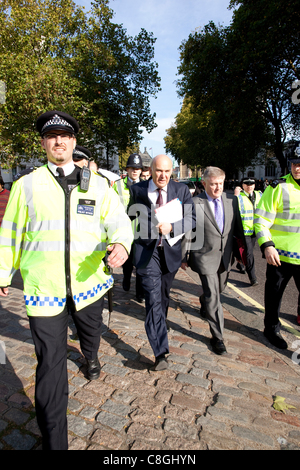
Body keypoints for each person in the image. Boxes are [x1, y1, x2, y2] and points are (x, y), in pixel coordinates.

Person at [0, 110, 133, 450]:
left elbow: (118, 221)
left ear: (74, 141)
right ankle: (55, 441)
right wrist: (3, 272)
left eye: (64, 135)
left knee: (91, 334)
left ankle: (90, 355)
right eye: (51, 135)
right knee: (50, 366)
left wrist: (120, 242)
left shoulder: (99, 185)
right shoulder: (25, 185)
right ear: (44, 143)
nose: (58, 140)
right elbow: (10, 233)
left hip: (89, 286)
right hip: (45, 291)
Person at [128, 154, 196, 370]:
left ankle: (159, 326)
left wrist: (173, 227)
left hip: (170, 253)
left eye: (167, 171)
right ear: (152, 170)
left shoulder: (181, 190)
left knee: (163, 298)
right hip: (147, 253)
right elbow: (128, 215)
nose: (163, 175)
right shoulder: (138, 190)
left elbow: (192, 218)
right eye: (159, 171)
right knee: (153, 299)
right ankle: (160, 352)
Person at [182, 166, 245, 356]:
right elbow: (187, 231)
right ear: (204, 183)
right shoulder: (194, 202)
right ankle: (218, 337)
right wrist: (183, 257)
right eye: (213, 184)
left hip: (225, 257)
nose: (217, 188)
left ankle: (204, 301)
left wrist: (243, 254)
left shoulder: (232, 201)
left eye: (220, 184)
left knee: (219, 290)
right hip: (204, 256)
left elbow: (238, 228)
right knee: (215, 297)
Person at [254, 146, 300, 347]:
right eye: (294, 163)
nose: (297, 167)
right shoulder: (278, 187)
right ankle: (271, 329)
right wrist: (267, 245)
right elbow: (261, 220)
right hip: (280, 256)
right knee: (273, 296)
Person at [113, 153, 144, 301]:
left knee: (140, 262)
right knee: (127, 260)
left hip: (140, 230)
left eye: (138, 168)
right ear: (127, 169)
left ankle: (140, 292)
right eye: (132, 168)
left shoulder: (146, 184)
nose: (135, 171)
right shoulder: (117, 185)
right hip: (124, 229)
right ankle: (126, 277)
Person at [234, 177, 262, 286]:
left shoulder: (260, 194)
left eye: (251, 184)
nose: (249, 186)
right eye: (246, 184)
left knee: (247, 252)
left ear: (254, 185)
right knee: (249, 253)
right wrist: (235, 196)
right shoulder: (239, 196)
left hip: (255, 230)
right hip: (244, 231)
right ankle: (252, 278)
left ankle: (239, 263)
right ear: (242, 185)